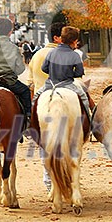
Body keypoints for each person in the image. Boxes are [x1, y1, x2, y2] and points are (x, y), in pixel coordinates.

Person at [27, 22, 65, 193]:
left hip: (41, 98)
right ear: (57, 38)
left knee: (43, 141)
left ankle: (47, 178)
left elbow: (30, 84)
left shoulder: (37, 55)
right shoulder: (66, 53)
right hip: (63, 95)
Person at [34, 26, 91, 119]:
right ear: (74, 41)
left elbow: (44, 68)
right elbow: (79, 72)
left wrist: (53, 72)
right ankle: (89, 122)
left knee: (36, 98)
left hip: (50, 84)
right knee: (84, 98)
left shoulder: (51, 52)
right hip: (67, 84)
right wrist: (69, 74)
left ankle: (32, 122)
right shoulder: (75, 55)